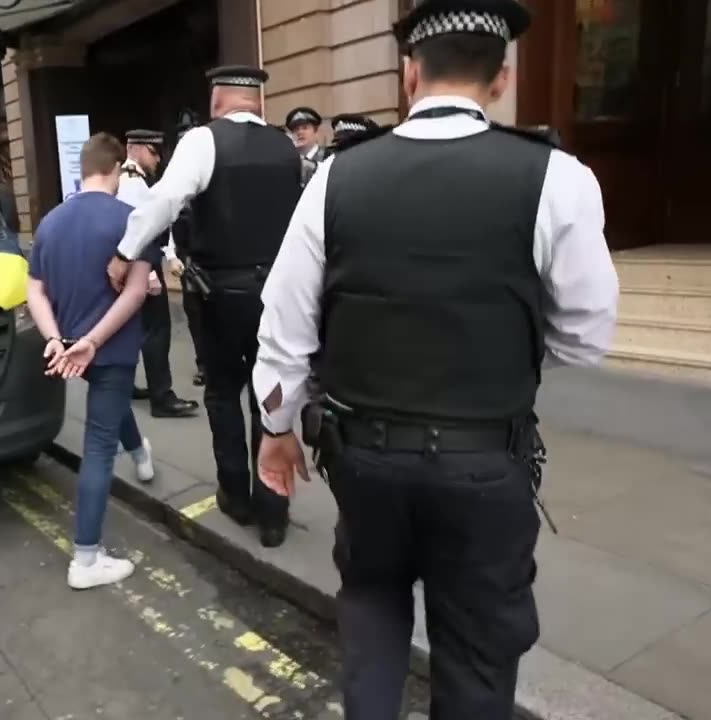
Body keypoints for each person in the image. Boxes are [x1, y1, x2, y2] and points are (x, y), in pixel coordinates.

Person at [251, 1, 620, 717]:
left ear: (410, 73)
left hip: (366, 460)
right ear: (502, 77)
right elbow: (586, 336)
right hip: (485, 462)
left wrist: (276, 426)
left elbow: (285, 325)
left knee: (372, 605)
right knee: (478, 649)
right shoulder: (558, 177)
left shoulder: (334, 178)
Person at [107, 66, 301, 548]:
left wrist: (126, 251)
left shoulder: (202, 140)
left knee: (221, 391)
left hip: (221, 292)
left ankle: (235, 494)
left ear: (217, 101)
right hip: (277, 291)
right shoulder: (286, 147)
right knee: (271, 397)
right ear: (257, 102)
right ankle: (274, 513)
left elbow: (165, 200)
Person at [25, 132, 156, 589]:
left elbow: (35, 290)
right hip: (111, 348)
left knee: (110, 407)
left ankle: (141, 455)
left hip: (71, 347)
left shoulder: (50, 222)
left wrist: (58, 339)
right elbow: (137, 291)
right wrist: (95, 341)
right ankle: (85, 558)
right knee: (99, 445)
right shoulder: (133, 218)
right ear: (117, 168)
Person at [117, 128, 199, 418]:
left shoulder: (132, 180)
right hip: (142, 264)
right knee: (157, 331)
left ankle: (129, 386)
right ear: (136, 148)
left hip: (138, 264)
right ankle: (162, 397)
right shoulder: (131, 183)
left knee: (136, 330)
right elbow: (134, 229)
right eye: (152, 152)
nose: (157, 159)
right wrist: (150, 273)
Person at [170, 116, 207, 388]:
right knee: (195, 313)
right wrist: (171, 255)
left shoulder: (216, 170)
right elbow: (168, 219)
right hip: (188, 256)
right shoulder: (175, 177)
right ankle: (204, 364)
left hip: (217, 256)